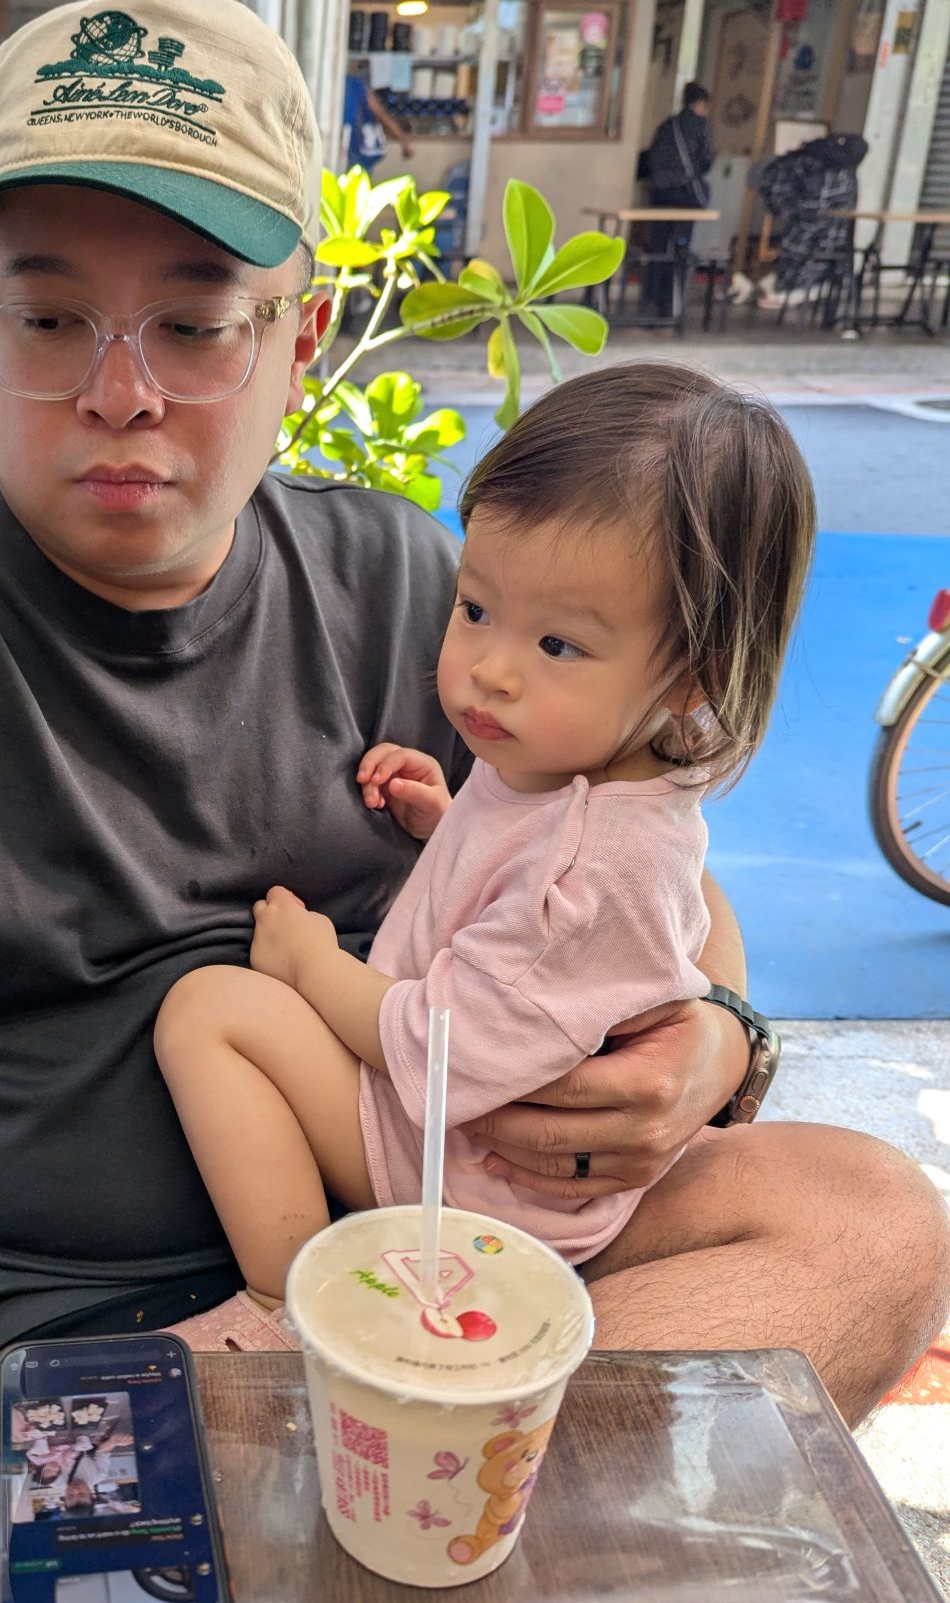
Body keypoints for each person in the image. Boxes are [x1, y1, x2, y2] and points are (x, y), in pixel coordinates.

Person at [0, 0, 944, 1425]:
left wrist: (715, 1041)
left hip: (432, 1222)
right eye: (50, 318)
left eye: (195, 325)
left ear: (299, 341)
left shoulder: (410, 589)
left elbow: (635, 853)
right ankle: (399, 1467)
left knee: (872, 1225)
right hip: (86, 1331)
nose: (119, 395)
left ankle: (398, 1460)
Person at [155, 365, 813, 1343]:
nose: (491, 670)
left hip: (467, 1173)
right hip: (479, 1138)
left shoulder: (589, 866)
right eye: (475, 610)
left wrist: (309, 964)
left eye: (558, 645)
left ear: (694, 675)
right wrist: (452, 820)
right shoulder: (582, 768)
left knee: (211, 1010)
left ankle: (287, 1299)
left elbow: (440, 1047)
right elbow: (531, 891)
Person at [734, 132, 868, 312]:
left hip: (809, 234)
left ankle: (785, 292)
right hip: (831, 238)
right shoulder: (842, 170)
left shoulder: (797, 164)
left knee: (798, 259)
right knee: (810, 261)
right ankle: (798, 291)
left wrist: (787, 210)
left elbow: (785, 202)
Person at [640, 82, 715, 319]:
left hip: (660, 196)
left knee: (658, 247)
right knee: (680, 249)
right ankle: (670, 304)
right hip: (685, 197)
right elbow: (706, 160)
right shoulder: (700, 127)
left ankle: (650, 300)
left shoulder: (667, 126)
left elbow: (651, 158)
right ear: (700, 103)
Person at [344, 59, 414, 174]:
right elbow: (382, 116)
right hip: (356, 152)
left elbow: (382, 116)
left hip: (352, 150)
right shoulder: (357, 86)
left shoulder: (355, 86)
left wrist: (404, 140)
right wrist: (404, 141)